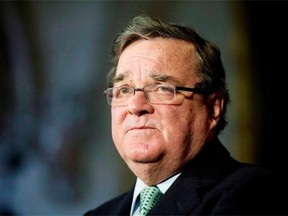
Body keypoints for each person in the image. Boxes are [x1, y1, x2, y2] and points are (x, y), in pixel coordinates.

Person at [84, 14, 287, 215]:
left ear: (213, 107)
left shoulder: (251, 193)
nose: (136, 106)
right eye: (124, 90)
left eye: (162, 88)